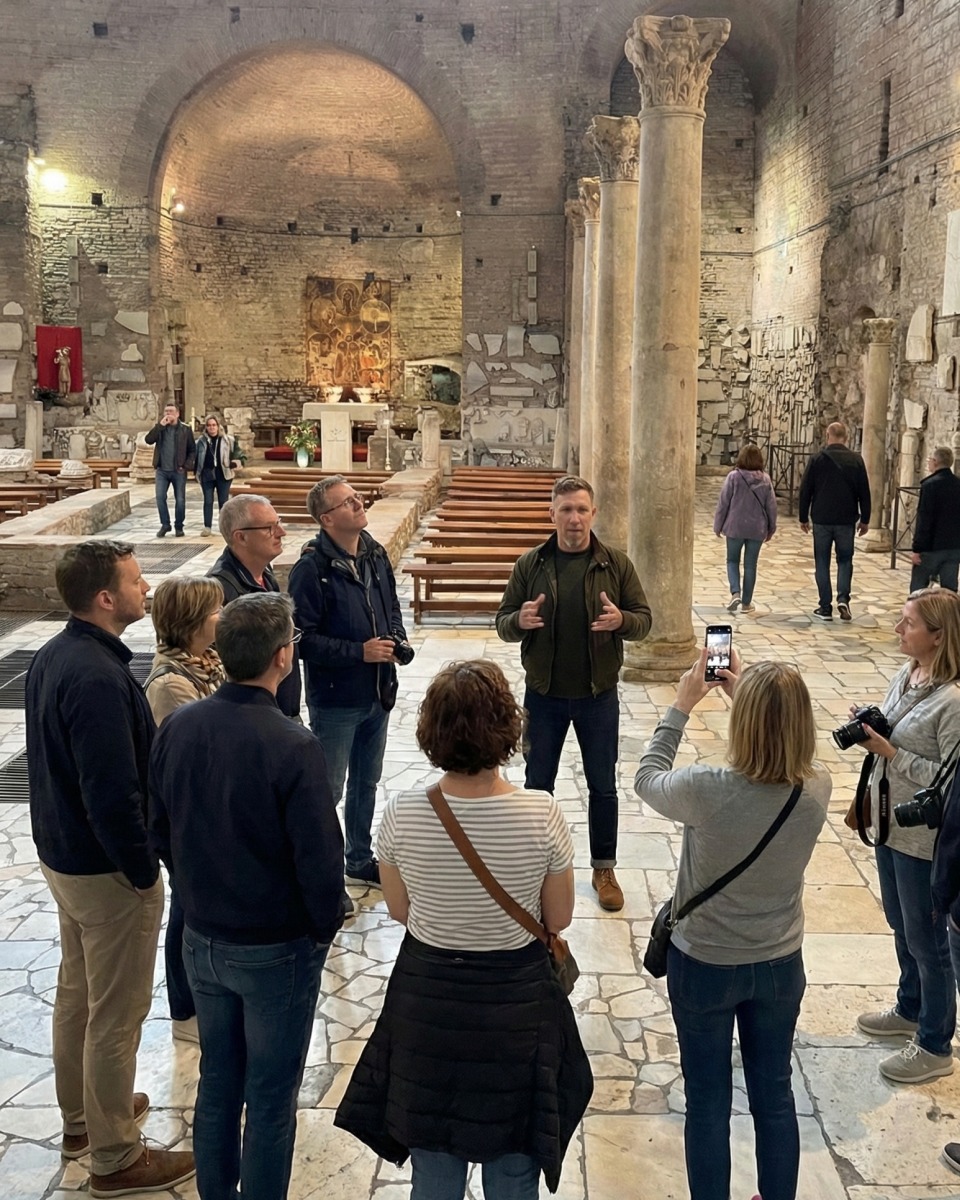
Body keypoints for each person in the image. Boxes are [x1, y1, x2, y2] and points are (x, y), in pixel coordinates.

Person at [334, 660, 592, 1198]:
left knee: (434, 1167)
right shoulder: (540, 813)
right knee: (514, 1169)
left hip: (428, 1000)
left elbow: (402, 912)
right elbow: (559, 918)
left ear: (431, 731)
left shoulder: (402, 812)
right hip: (514, 1008)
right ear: (507, 726)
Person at [148, 593, 344, 1200]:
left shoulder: (179, 723)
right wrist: (320, 930)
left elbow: (159, 826)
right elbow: (319, 863)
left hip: (201, 937)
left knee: (217, 1082)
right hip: (273, 947)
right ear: (284, 657)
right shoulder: (294, 744)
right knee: (269, 1097)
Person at [25, 540, 196, 1198]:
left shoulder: (59, 654)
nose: (145, 586)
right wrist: (142, 871)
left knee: (79, 999)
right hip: (102, 870)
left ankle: (83, 1122)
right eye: (134, 579)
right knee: (116, 1015)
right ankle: (117, 1158)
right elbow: (111, 793)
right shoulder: (97, 676)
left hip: (63, 858)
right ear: (105, 598)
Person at [634, 651, 830, 1200]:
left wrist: (682, 703)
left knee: (708, 1101)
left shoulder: (706, 788)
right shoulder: (816, 788)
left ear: (742, 722)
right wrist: (751, 696)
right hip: (778, 962)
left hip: (705, 964)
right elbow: (777, 745)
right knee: (774, 1096)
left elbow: (647, 777)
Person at [495, 474, 651, 912]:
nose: (575, 518)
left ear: (593, 513)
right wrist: (518, 621)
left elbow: (644, 619)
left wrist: (622, 621)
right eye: (566, 510)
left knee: (603, 785)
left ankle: (604, 868)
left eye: (582, 509)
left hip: (597, 695)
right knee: (537, 784)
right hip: (543, 696)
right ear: (552, 514)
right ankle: (531, 868)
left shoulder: (615, 565)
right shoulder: (531, 564)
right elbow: (503, 621)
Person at [850, 588, 960, 1083]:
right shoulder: (910, 672)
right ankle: (909, 1006)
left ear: (938, 637)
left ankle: (936, 1043)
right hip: (890, 823)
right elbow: (897, 729)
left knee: (927, 937)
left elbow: (950, 778)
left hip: (924, 837)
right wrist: (872, 722)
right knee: (900, 921)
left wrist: (890, 750)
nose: (898, 629)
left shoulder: (953, 700)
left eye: (908, 623)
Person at [287, 474, 409, 904]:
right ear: (326, 518)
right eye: (347, 502)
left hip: (378, 693)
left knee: (367, 783)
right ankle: (324, 878)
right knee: (329, 791)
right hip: (337, 699)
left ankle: (358, 859)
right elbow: (301, 639)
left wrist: (397, 639)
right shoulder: (311, 568)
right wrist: (359, 652)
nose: (359, 504)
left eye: (357, 498)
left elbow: (390, 605)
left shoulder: (374, 554)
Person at [144, 575, 225, 1045]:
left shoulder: (207, 662)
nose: (222, 617)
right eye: (214, 611)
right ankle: (184, 1008)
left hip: (210, 806)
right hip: (186, 813)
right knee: (186, 909)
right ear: (192, 621)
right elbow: (193, 751)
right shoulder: (172, 683)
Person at [207, 493, 301, 720]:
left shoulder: (265, 575)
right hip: (253, 717)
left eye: (278, 523)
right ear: (240, 537)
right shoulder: (219, 590)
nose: (281, 532)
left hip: (279, 710)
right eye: (269, 528)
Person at [798, 420, 871, 621]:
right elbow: (864, 491)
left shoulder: (817, 459)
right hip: (846, 519)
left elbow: (806, 490)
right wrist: (865, 519)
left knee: (822, 561)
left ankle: (824, 606)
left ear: (828, 436)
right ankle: (843, 599)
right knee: (845, 560)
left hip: (822, 518)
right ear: (845, 438)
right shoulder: (856, 460)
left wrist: (803, 516)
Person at [713, 443, 777, 615]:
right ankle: (747, 603)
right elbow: (771, 506)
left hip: (735, 527)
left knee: (732, 561)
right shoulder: (765, 479)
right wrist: (772, 527)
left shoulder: (733, 477)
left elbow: (723, 503)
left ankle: (735, 593)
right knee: (750, 565)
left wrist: (718, 525)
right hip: (757, 528)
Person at [911, 446, 960, 593]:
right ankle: (949, 616)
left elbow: (925, 518)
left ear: (935, 462)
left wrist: (917, 548)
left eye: (930, 460)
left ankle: (917, 615)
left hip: (931, 546)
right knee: (949, 591)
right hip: (953, 546)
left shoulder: (930, 485)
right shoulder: (958, 484)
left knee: (918, 588)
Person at [144, 402, 196, 538]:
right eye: (166, 411)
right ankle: (165, 524)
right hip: (162, 470)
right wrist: (160, 426)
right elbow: (148, 440)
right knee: (160, 497)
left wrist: (186, 465)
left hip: (178, 470)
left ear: (177, 414)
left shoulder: (185, 429)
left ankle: (179, 526)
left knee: (180, 500)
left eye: (171, 411)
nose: (168, 414)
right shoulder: (160, 429)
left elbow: (192, 450)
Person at [195, 414, 243, 537]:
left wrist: (236, 461)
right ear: (206, 427)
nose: (212, 428)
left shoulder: (228, 440)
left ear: (218, 426)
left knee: (223, 501)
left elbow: (238, 453)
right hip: (206, 474)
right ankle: (207, 527)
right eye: (209, 425)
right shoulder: (201, 441)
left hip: (223, 474)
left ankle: (225, 527)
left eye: (214, 425)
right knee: (208, 501)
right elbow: (195, 457)